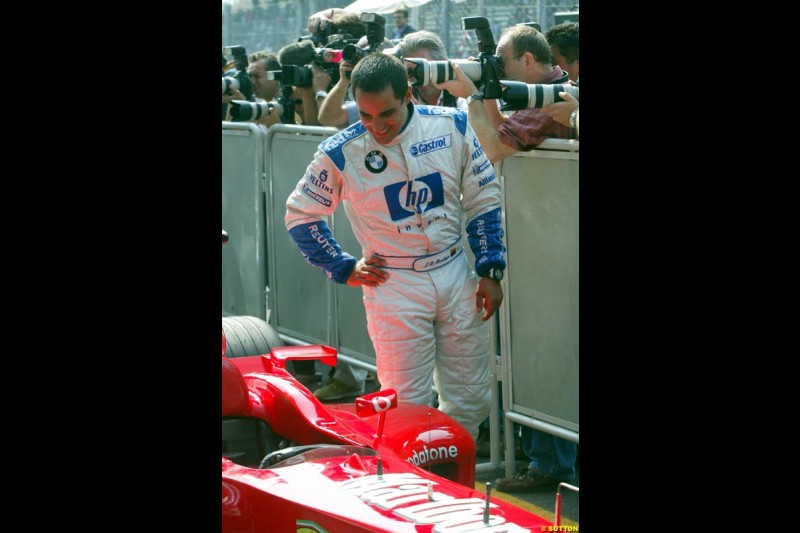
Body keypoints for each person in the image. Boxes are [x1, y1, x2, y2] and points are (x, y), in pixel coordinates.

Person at [285, 53, 505, 439]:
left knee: (471, 398)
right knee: (405, 403)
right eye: (366, 116)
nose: (376, 126)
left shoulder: (452, 126)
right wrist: (342, 266)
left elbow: (484, 197)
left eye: (385, 113)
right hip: (393, 283)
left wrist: (490, 269)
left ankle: (454, 481)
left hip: (456, 274)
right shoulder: (340, 151)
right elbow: (300, 215)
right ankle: (414, 489)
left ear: (407, 95)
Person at [436, 24, 577, 491]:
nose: (497, 66)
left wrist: (476, 93)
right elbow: (501, 136)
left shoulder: (553, 96)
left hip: (551, 244)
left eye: (503, 59)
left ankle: (550, 460)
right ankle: (539, 449)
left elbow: (490, 147)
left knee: (541, 344)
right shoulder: (545, 92)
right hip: (547, 240)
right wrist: (490, 92)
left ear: (530, 63)